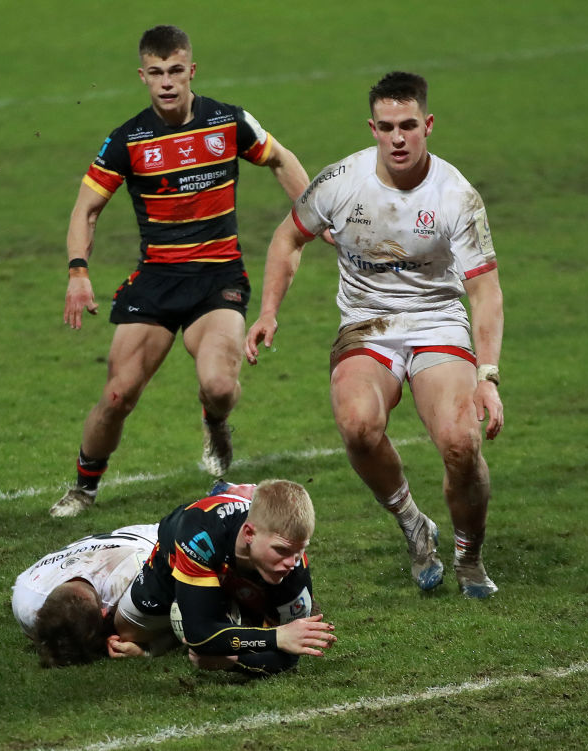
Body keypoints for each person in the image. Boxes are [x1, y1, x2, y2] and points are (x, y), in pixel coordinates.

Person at [245, 72, 504, 598]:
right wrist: (269, 310)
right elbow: (287, 238)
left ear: (428, 125)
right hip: (367, 322)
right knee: (358, 424)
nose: (398, 137)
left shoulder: (457, 196)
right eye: (386, 127)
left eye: (409, 125)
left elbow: (485, 293)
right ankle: (413, 524)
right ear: (373, 129)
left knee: (460, 442)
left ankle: (469, 554)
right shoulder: (341, 182)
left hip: (435, 320)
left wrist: (488, 375)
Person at [52, 25, 311, 517]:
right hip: (155, 281)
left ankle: (215, 421)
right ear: (142, 77)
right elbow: (86, 209)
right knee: (117, 394)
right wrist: (78, 270)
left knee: (218, 384)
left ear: (191, 71)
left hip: (218, 280)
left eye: (175, 71)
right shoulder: (127, 140)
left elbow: (279, 158)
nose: (167, 82)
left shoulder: (228, 122)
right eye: (156, 73)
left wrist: (312, 216)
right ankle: (84, 488)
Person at [113, 479, 337, 677]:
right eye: (281, 550)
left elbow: (291, 654)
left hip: (235, 571)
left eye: (300, 551)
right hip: (171, 560)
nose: (292, 562)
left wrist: (234, 661)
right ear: (249, 534)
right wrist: (276, 636)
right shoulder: (200, 535)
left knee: (224, 626)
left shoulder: (295, 568)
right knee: (127, 632)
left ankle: (205, 618)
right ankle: (136, 553)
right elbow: (200, 636)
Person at [12, 523, 166, 667]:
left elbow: (183, 614)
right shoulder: (26, 597)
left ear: (104, 613)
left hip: (157, 536)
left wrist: (149, 650)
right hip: (122, 539)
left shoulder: (132, 581)